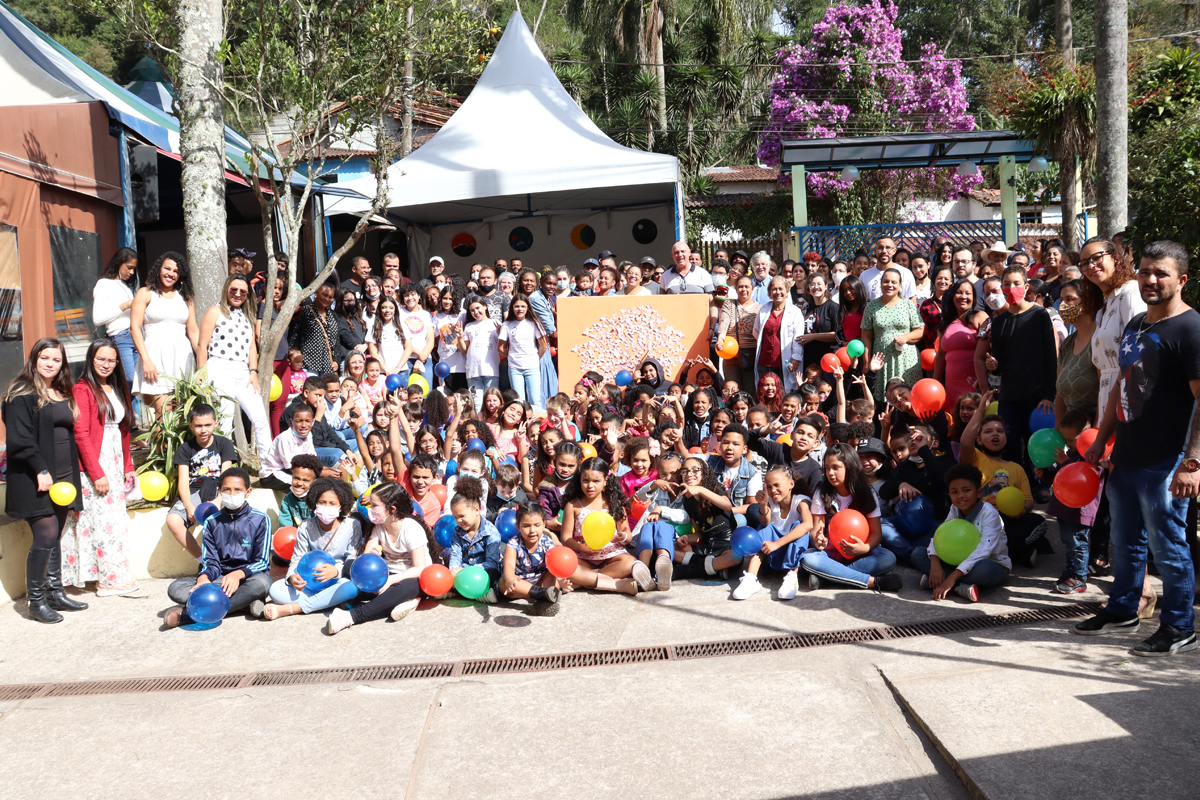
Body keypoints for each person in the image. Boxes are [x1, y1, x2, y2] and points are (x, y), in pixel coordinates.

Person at [1076, 240, 1200, 656]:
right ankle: (1123, 608)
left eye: (1160, 273)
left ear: (1181, 280)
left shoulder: (1192, 329)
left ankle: (1180, 626)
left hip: (1166, 462)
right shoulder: (1136, 326)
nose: (1150, 279)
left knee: (1169, 546)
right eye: (1145, 271)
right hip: (1125, 455)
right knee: (1124, 542)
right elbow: (1120, 389)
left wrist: (1192, 462)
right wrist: (1102, 439)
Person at [2, 338, 87, 623]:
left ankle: (55, 593)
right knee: (46, 534)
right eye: (45, 358)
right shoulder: (20, 392)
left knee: (56, 535)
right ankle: (35, 602)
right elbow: (19, 440)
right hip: (34, 476)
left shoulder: (60, 391)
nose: (50, 364)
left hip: (63, 475)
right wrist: (40, 469)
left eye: (56, 360)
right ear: (34, 359)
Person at [60, 339, 139, 597]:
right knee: (101, 522)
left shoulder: (115, 388)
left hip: (115, 460)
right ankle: (107, 580)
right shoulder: (82, 389)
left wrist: (128, 466)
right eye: (100, 359)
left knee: (112, 522)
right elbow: (81, 434)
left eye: (111, 360)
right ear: (90, 360)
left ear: (117, 363)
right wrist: (97, 474)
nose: (106, 364)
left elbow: (124, 430)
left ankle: (110, 575)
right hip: (96, 463)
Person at [974, 266, 1057, 482]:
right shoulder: (999, 321)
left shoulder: (1039, 315)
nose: (1012, 288)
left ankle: (1037, 483)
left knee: (1035, 443)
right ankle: (1015, 485)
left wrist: (1049, 395)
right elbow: (1000, 362)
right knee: (1009, 443)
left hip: (1037, 396)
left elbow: (1050, 357)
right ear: (1001, 288)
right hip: (1009, 395)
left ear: (1026, 286)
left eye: (1017, 283)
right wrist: (994, 365)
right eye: (1007, 284)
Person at [163, 468, 272, 628]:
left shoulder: (260, 519)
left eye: (238, 490)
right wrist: (204, 578)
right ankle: (243, 604)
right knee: (175, 588)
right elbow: (210, 561)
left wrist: (238, 574)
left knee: (263, 584)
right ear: (219, 491)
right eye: (227, 489)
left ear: (247, 492)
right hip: (219, 579)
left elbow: (262, 562)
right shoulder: (212, 521)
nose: (232, 494)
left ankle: (192, 613)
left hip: (248, 578)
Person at [256, 478, 363, 621]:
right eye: (322, 502)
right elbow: (297, 558)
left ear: (342, 506)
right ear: (314, 503)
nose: (326, 507)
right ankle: (326, 602)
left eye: (332, 503)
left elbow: (353, 559)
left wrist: (336, 571)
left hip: (339, 580)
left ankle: (293, 609)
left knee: (351, 587)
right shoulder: (305, 527)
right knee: (275, 590)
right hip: (310, 582)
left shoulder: (352, 525)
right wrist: (292, 577)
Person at [800, 444, 902, 591]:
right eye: (827, 468)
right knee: (809, 557)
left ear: (850, 467)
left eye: (836, 467)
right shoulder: (821, 493)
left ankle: (829, 577)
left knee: (888, 557)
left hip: (860, 553)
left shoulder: (868, 493)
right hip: (830, 552)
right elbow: (817, 529)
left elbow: (876, 532)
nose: (830, 473)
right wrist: (818, 540)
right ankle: (872, 582)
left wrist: (864, 548)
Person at [196, 274, 272, 460]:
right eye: (234, 290)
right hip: (219, 366)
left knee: (260, 419)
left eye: (243, 292)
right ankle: (223, 466)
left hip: (243, 371)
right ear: (226, 290)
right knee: (225, 420)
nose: (238, 294)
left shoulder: (248, 315)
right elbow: (202, 345)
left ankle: (269, 467)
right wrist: (201, 373)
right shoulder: (215, 311)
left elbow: (252, 346)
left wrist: (253, 371)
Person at [911, 463, 1010, 602]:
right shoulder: (955, 509)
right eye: (954, 492)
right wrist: (935, 564)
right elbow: (940, 536)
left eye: (966, 490)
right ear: (949, 494)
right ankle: (960, 587)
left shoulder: (989, 513)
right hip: (956, 561)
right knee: (918, 554)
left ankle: (945, 582)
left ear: (979, 492)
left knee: (984, 571)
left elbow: (984, 551)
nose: (960, 496)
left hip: (989, 563)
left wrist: (951, 578)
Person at [130, 252, 198, 418]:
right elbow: (134, 328)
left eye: (176, 271)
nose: (171, 273)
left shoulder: (186, 298)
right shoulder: (145, 293)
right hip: (155, 359)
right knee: (164, 418)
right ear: (158, 269)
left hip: (183, 360)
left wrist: (204, 360)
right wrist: (146, 360)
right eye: (167, 268)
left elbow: (193, 331)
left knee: (182, 417)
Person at [560, 457, 643, 593]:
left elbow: (627, 536)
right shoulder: (573, 505)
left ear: (605, 480)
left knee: (630, 563)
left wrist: (622, 537)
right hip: (583, 558)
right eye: (585, 480)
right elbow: (566, 538)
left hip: (611, 556)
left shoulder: (614, 503)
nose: (590, 486)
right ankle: (616, 584)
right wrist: (581, 548)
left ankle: (583, 581)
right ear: (579, 480)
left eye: (596, 481)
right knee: (565, 567)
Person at [731, 464, 813, 600]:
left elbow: (808, 524)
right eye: (768, 487)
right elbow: (765, 522)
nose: (773, 490)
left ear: (791, 484)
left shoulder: (800, 501)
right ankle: (751, 579)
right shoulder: (770, 502)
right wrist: (763, 504)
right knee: (763, 528)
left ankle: (791, 578)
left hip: (794, 555)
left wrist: (777, 544)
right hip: (772, 554)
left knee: (800, 527)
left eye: (777, 485)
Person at [165, 403, 237, 558]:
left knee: (232, 516)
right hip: (195, 490)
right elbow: (183, 481)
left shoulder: (224, 444)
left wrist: (219, 501)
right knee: (173, 520)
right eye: (198, 425)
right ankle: (203, 560)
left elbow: (227, 477)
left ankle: (229, 559)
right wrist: (189, 506)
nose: (203, 430)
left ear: (215, 424)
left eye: (208, 425)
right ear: (191, 425)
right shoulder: (185, 448)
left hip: (220, 489)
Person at [861, 268, 925, 404]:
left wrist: (906, 337)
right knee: (883, 399)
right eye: (886, 281)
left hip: (906, 359)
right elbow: (866, 336)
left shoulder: (908, 305)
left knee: (909, 397)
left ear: (900, 285)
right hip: (882, 360)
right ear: (880, 283)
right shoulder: (871, 307)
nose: (889, 285)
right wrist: (866, 363)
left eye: (894, 282)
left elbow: (920, 330)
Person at [500, 504, 571, 615]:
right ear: (518, 527)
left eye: (537, 525)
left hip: (540, 582)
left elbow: (555, 564)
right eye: (526, 526)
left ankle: (542, 599)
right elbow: (509, 564)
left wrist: (561, 580)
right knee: (503, 582)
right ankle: (542, 596)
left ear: (544, 525)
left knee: (552, 574)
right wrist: (510, 579)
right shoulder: (514, 543)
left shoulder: (546, 542)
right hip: (519, 584)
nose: (532, 530)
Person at [92, 247, 140, 400]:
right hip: (120, 337)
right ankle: (121, 418)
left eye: (134, 269)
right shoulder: (103, 284)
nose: (131, 272)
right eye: (129, 267)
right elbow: (97, 319)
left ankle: (129, 420)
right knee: (128, 381)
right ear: (119, 263)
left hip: (134, 336)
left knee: (137, 383)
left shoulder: (125, 286)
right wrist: (124, 305)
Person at [933, 278, 987, 409]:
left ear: (974, 297)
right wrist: (934, 382)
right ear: (952, 296)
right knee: (955, 421)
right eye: (959, 292)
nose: (963, 297)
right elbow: (940, 355)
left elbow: (989, 349)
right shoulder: (945, 322)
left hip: (975, 383)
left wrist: (984, 383)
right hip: (951, 385)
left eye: (968, 293)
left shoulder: (980, 317)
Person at [753, 277, 805, 390]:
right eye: (774, 289)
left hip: (786, 362)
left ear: (786, 290)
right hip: (765, 361)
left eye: (781, 289)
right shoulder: (764, 309)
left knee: (785, 393)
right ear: (770, 292)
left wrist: (795, 357)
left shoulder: (795, 312)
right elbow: (756, 331)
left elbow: (798, 337)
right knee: (766, 394)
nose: (778, 292)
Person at [499, 294, 546, 410]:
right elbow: (500, 348)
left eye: (523, 306)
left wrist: (534, 358)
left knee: (535, 400)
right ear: (512, 308)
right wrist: (511, 356)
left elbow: (544, 346)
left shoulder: (534, 323)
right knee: (518, 401)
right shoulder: (507, 325)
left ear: (527, 308)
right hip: (515, 368)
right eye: (517, 306)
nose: (520, 309)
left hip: (532, 367)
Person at [291, 278, 343, 375]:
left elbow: (336, 341)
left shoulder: (333, 315)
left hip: (328, 365)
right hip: (308, 364)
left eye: (331, 297)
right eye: (325, 295)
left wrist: (336, 360)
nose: (327, 299)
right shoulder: (305, 311)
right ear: (316, 292)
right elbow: (295, 336)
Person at [459, 295, 501, 410]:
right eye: (472, 310)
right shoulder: (468, 326)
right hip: (473, 372)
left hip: (491, 371)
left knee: (491, 404)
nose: (476, 312)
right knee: (476, 405)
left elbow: (502, 347)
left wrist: (499, 333)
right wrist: (459, 337)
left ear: (485, 306)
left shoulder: (495, 323)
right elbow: (464, 349)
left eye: (478, 308)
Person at [798, 272, 839, 373]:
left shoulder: (833, 308)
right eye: (812, 284)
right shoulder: (807, 308)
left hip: (827, 361)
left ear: (826, 287)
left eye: (819, 284)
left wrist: (813, 336)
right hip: (809, 361)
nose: (816, 287)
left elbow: (837, 335)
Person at [396, 285, 435, 386]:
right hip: (406, 359)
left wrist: (421, 358)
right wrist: (419, 354)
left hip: (425, 359)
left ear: (419, 296)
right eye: (406, 295)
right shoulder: (399, 314)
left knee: (426, 393)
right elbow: (402, 340)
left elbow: (430, 341)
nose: (410, 298)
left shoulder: (426, 315)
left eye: (413, 294)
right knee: (405, 394)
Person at [277, 454, 322, 528]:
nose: (299, 483)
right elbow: (285, 527)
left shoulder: (319, 500)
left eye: (305, 480)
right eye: (296, 478)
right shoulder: (287, 500)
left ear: (314, 482)